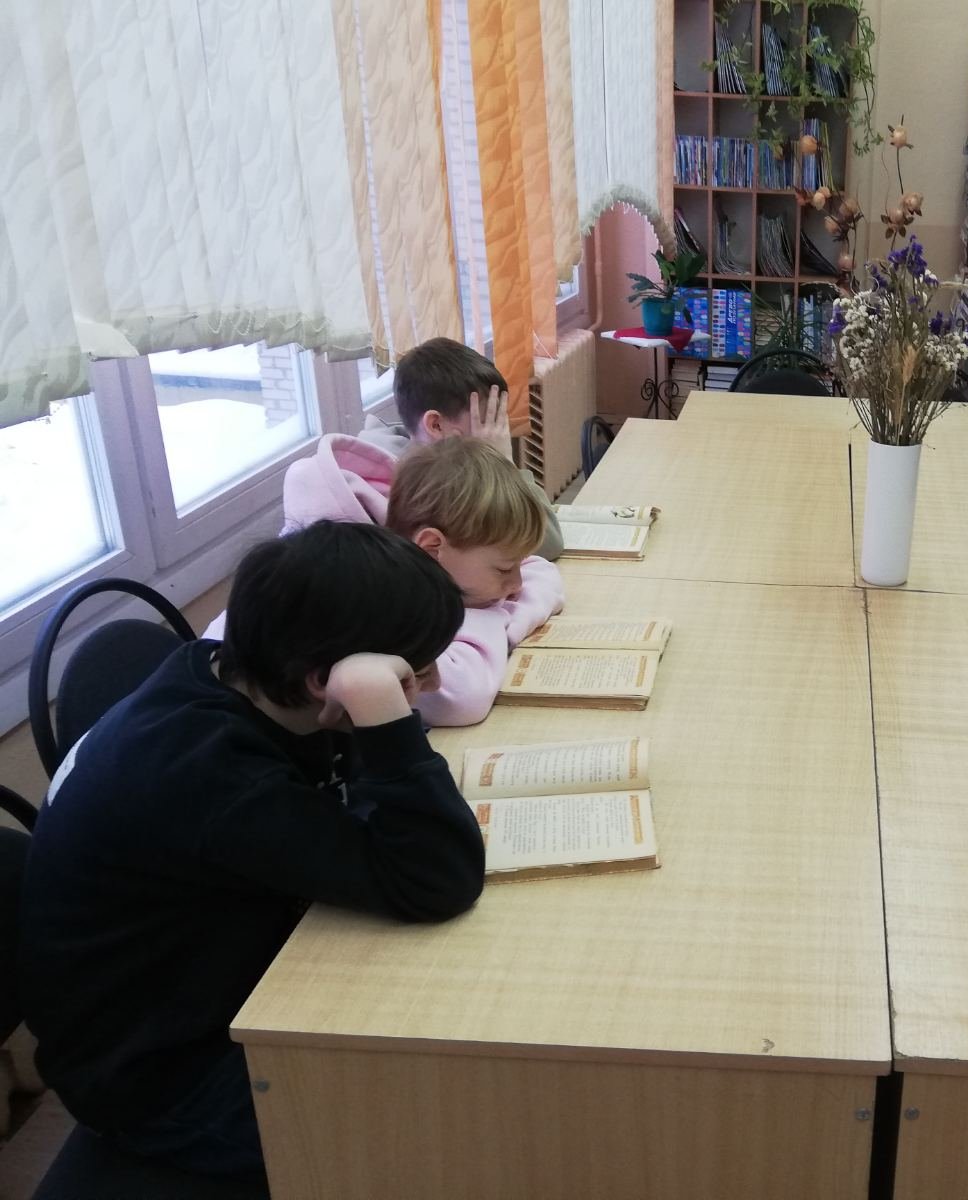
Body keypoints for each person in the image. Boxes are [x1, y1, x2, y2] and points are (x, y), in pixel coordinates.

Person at [19, 521, 486, 1177]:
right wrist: (384, 720)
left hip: (208, 980)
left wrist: (371, 724)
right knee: (451, 1129)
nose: (429, 686)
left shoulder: (231, 675)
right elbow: (438, 878)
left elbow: (363, 817)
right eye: (413, 672)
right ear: (328, 680)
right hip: (162, 1078)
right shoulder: (215, 778)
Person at [378, 437, 560, 723]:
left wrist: (508, 617)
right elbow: (464, 699)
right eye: (503, 569)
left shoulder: (456, 575)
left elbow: (544, 571)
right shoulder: (386, 610)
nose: (517, 585)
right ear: (433, 548)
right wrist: (494, 617)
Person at [362, 337, 563, 561]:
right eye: (487, 419)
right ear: (436, 425)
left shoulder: (430, 461)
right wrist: (501, 464)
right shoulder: (414, 490)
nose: (498, 433)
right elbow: (545, 543)